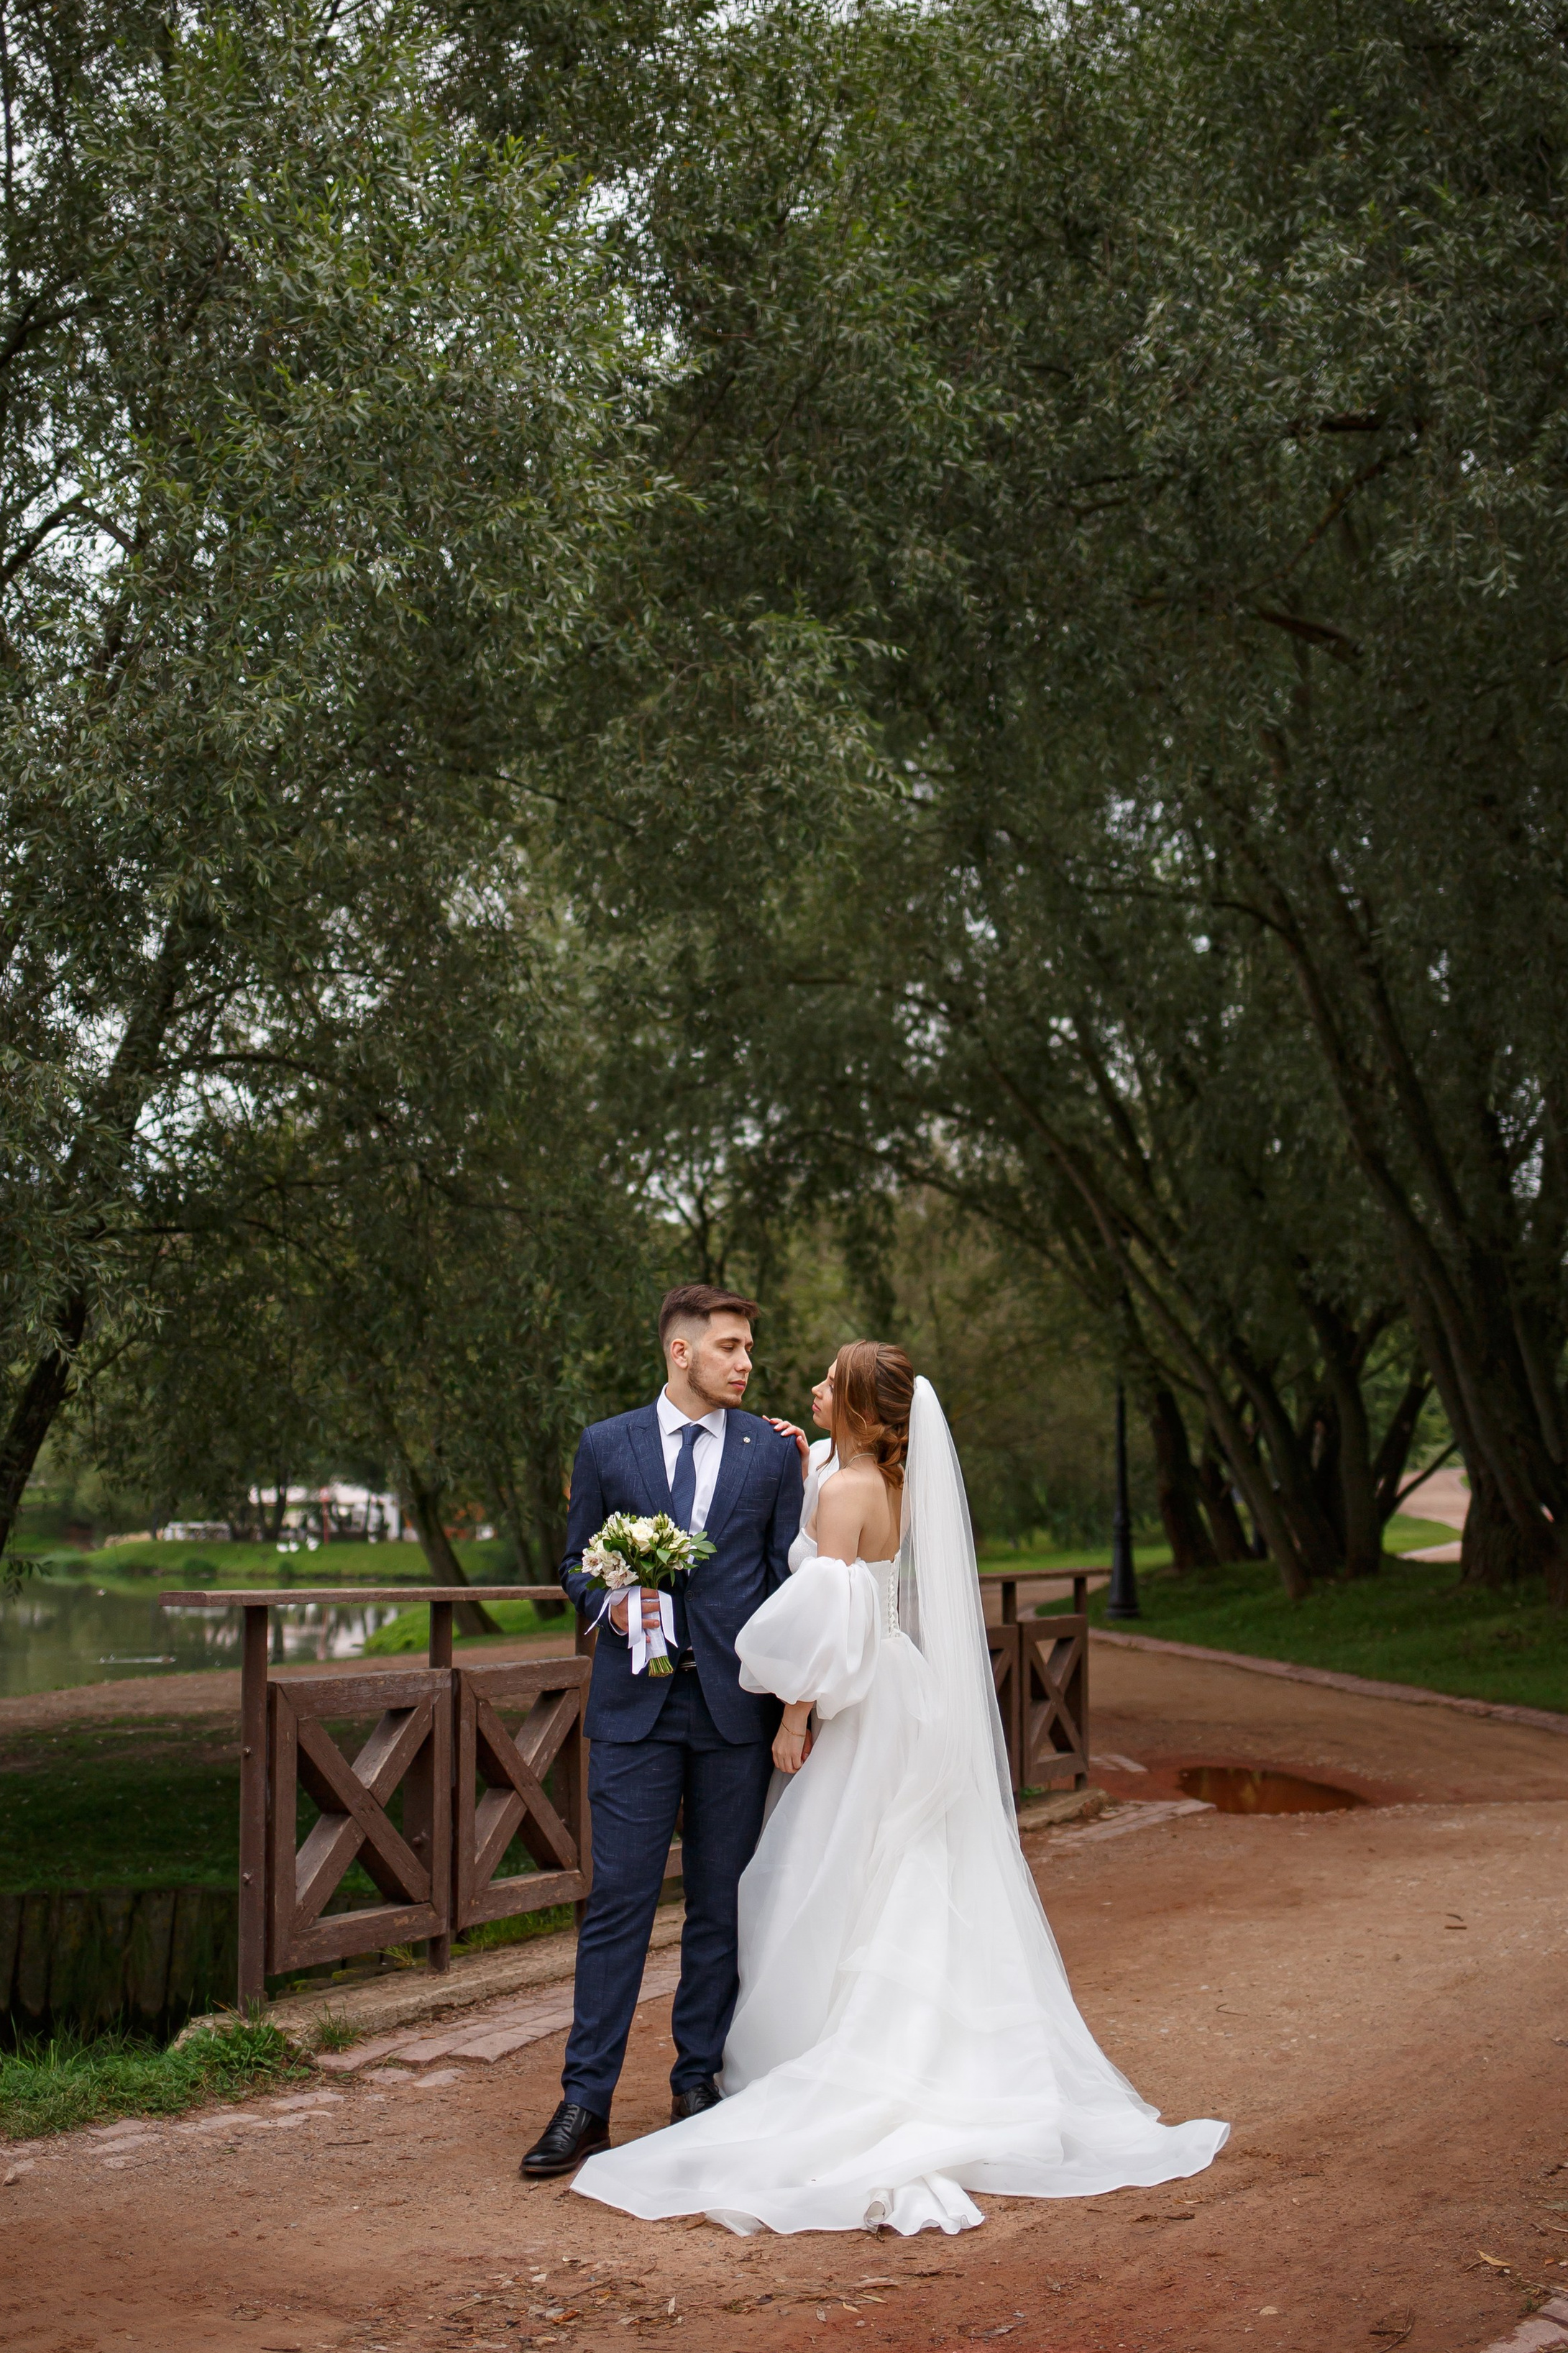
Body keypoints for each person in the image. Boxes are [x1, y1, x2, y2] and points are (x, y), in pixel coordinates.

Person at [572, 1341, 1229, 2234]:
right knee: (903, 1874)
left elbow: (833, 1618)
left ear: (864, 1411)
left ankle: (842, 2059)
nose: (810, 1384)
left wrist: (796, 1713)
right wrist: (804, 1456)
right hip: (902, 1688)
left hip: (854, 1699)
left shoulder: (847, 1491)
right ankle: (928, 2050)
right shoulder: (881, 1479)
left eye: (827, 1380)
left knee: (827, 1877)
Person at [518, 1284, 802, 2180]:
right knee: (618, 1907)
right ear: (680, 1352)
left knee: (719, 1906)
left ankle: (696, 2084)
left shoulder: (771, 1451)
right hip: (634, 1712)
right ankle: (585, 2101)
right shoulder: (608, 1444)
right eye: (729, 1346)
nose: (745, 1361)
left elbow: (790, 1578)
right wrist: (611, 1599)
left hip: (733, 1712)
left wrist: (796, 1703)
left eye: (749, 1346)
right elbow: (572, 1564)